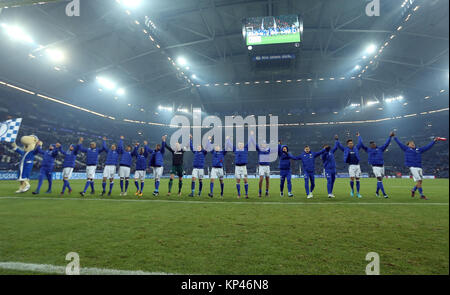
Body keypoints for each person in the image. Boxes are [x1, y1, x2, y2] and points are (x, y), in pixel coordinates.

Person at [394, 135, 440, 200]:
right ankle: (422, 195)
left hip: (419, 167)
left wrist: (434, 141)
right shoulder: (406, 149)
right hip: (412, 167)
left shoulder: (418, 150)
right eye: (411, 143)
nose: (413, 144)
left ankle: (413, 190)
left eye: (413, 143)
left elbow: (427, 147)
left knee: (420, 182)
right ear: (408, 145)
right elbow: (399, 143)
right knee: (419, 180)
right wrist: (395, 137)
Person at [359, 132, 395, 198]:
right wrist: (359, 137)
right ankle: (384, 194)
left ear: (375, 144)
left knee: (380, 181)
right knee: (379, 179)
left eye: (373, 143)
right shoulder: (368, 150)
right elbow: (361, 144)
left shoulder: (380, 149)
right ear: (370, 146)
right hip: (375, 167)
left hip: (382, 166)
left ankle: (377, 192)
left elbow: (386, 144)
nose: (373, 145)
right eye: (371, 144)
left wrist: (390, 137)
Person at [336, 134, 364, 198]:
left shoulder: (356, 148)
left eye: (352, 143)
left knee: (358, 179)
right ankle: (352, 190)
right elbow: (339, 146)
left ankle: (358, 193)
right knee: (352, 179)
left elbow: (360, 143)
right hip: (351, 166)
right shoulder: (345, 149)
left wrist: (359, 136)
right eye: (350, 143)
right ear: (347, 144)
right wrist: (337, 140)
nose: (351, 144)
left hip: (357, 166)